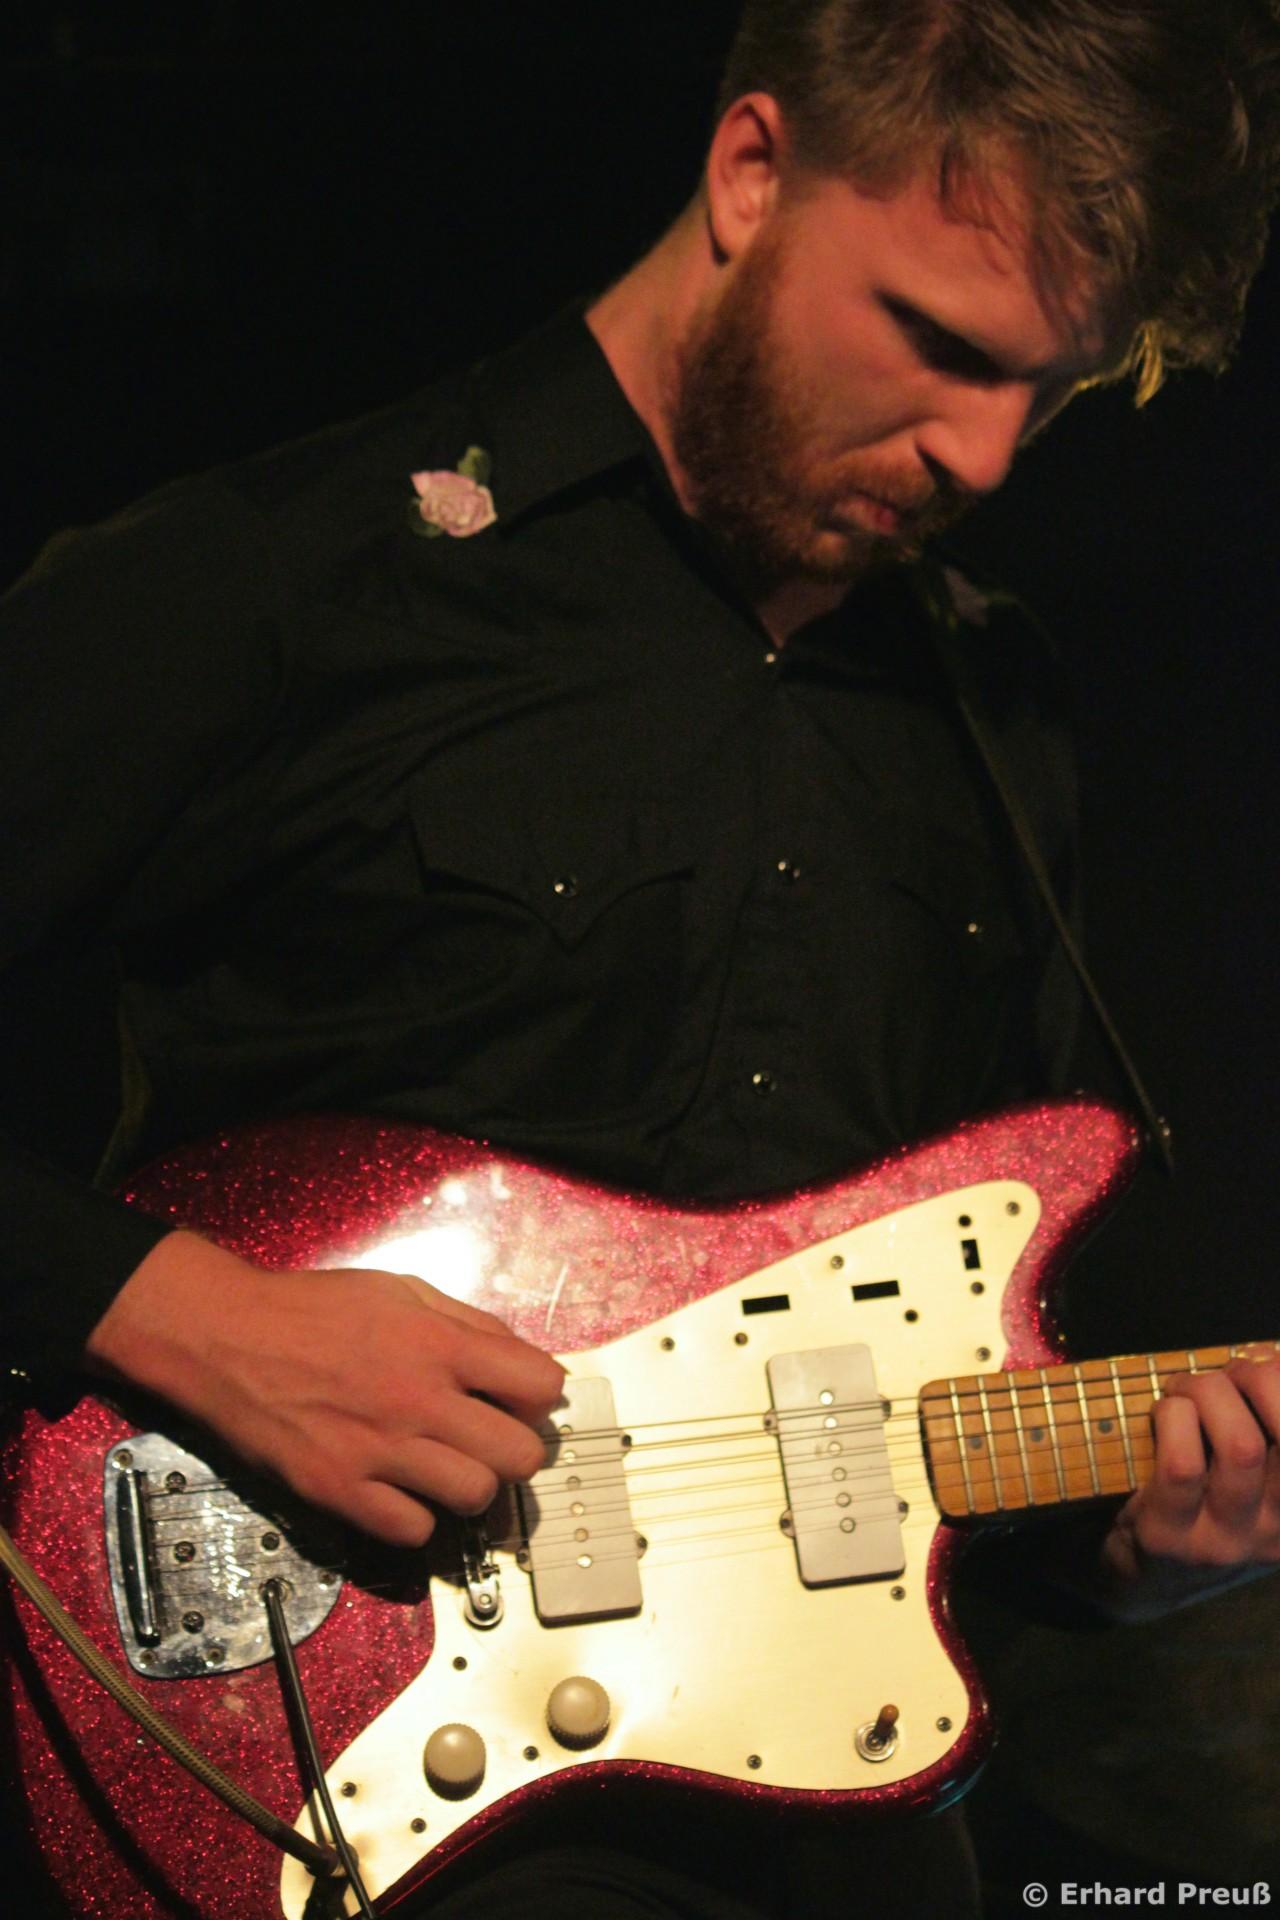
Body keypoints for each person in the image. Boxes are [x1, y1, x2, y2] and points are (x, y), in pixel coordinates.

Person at [3, 3, 1280, 1915]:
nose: (986, 451)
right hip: (329, 1775)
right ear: (752, 172)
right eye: (941, 345)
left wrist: (1137, 1551)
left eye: (1053, 389)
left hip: (839, 1829)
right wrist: (184, 1314)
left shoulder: (991, 712)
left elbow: (909, 1404)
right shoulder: (285, 579)